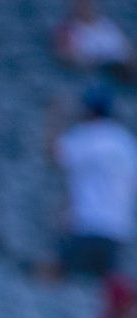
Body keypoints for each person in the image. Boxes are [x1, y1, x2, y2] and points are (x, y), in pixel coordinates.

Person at [54, 87, 137, 278]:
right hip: (117, 228)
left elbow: (54, 154)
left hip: (86, 223)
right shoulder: (126, 142)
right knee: (102, 290)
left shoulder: (87, 135)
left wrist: (55, 116)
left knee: (71, 284)